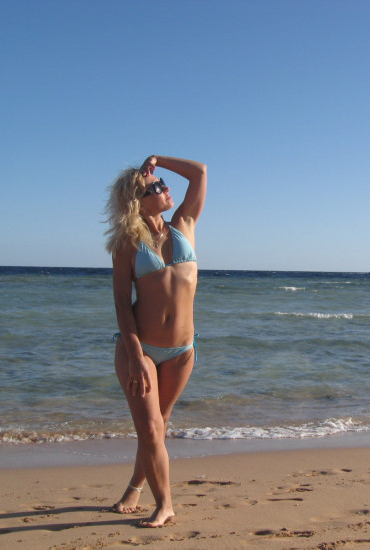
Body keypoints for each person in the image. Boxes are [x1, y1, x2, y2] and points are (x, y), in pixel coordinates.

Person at [105, 155, 206, 527]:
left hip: (182, 351)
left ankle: (134, 486)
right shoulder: (128, 244)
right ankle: (165, 504)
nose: (165, 189)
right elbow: (121, 303)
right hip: (141, 349)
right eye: (156, 187)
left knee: (158, 426)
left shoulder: (184, 224)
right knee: (149, 428)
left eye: (163, 184)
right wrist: (134, 356)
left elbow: (199, 173)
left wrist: (158, 160)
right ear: (138, 201)